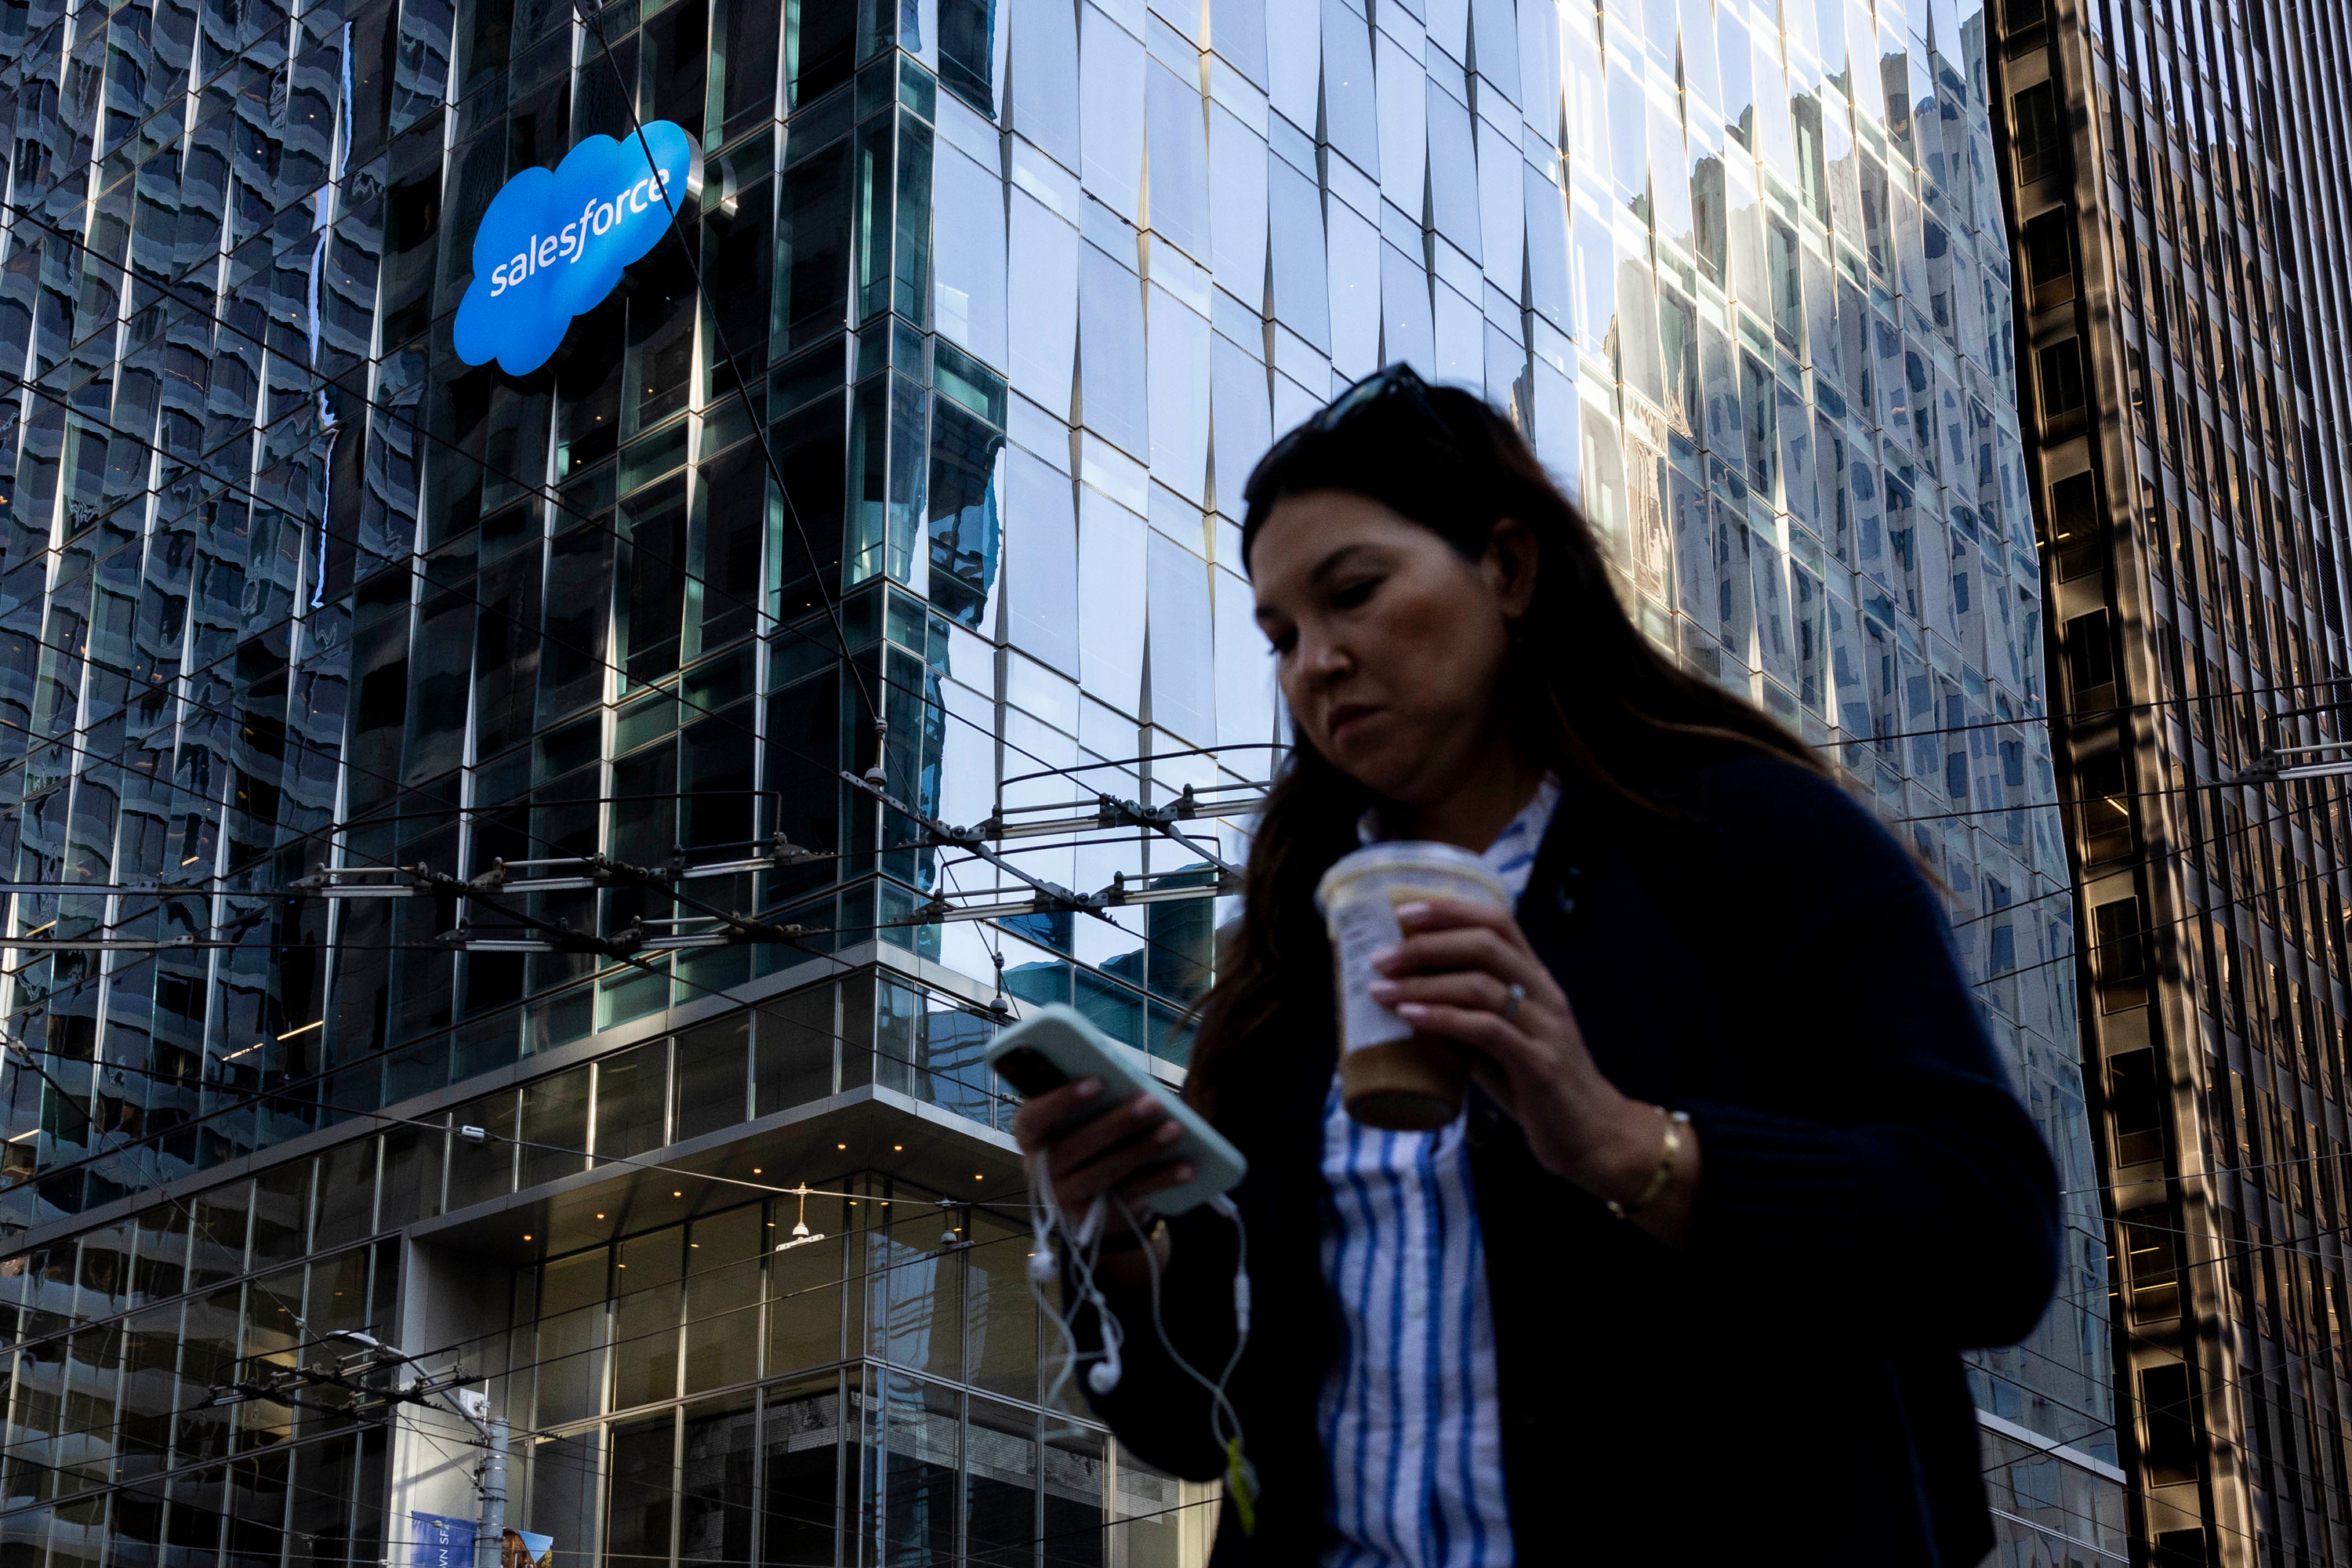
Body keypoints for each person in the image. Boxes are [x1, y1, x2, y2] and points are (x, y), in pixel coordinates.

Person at [1011, 365, 2061, 1566]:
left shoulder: (1751, 843)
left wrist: (1629, 1146)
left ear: (1506, 568)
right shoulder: (1289, 966)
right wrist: (1120, 1259)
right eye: (1282, 635)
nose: (1314, 661)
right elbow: (1202, 1431)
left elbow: (1995, 1238)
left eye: (1353, 595)